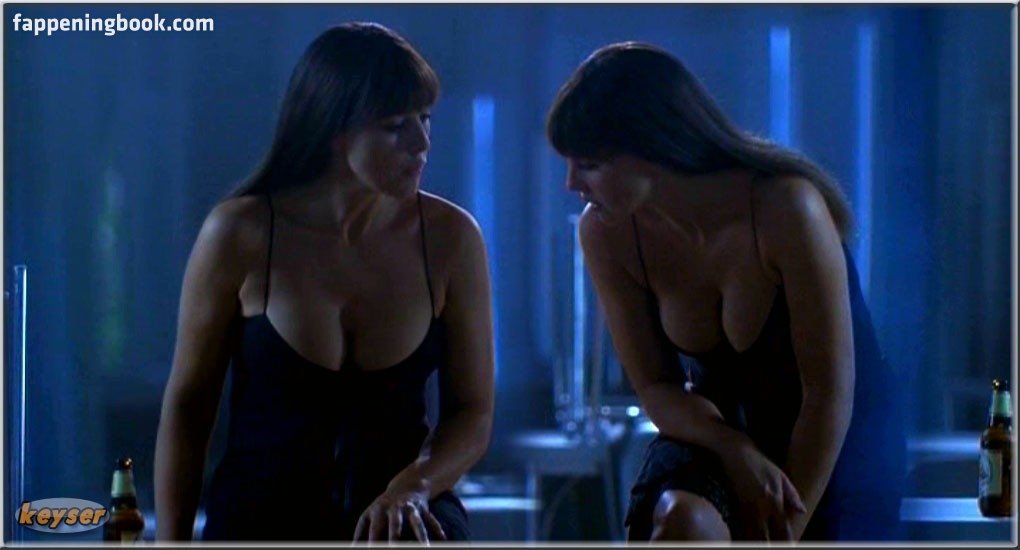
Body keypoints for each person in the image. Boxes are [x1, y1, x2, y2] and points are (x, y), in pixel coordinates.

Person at [546, 42, 905, 542]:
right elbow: (657, 388)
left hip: (834, 435)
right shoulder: (607, 231)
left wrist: (783, 533)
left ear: (652, 147)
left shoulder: (786, 207)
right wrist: (734, 449)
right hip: (714, 433)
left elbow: (827, 393)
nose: (571, 183)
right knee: (683, 524)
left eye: (589, 164)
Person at [154, 22, 495, 543]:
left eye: (425, 119)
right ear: (335, 131)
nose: (422, 143)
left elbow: (473, 411)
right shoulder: (241, 233)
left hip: (403, 523)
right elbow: (189, 409)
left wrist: (415, 486)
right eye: (396, 126)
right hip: (261, 524)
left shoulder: (451, 238)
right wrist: (172, 541)